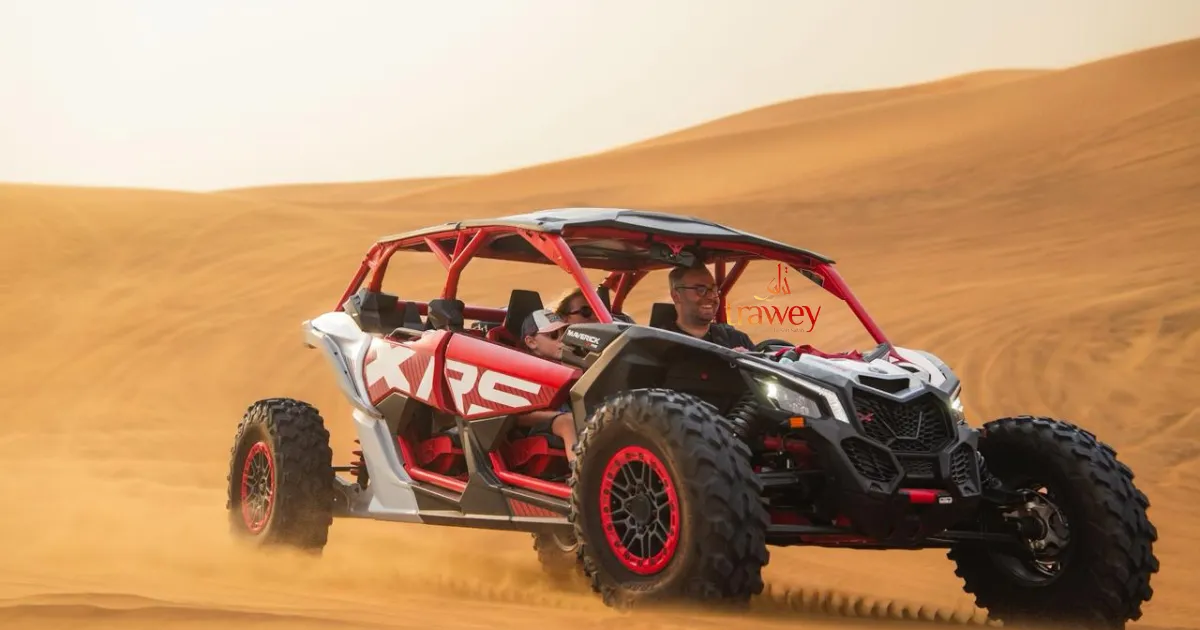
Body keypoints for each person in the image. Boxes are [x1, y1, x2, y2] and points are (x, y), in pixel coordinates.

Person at [514, 308, 579, 461]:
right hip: (537, 426)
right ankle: (583, 478)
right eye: (553, 335)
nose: (562, 340)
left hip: (566, 416)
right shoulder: (525, 368)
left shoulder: (568, 363)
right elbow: (516, 416)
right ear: (531, 342)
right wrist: (561, 416)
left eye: (564, 333)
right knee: (568, 423)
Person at [663, 263, 755, 351]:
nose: (711, 296)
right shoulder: (658, 344)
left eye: (714, 289)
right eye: (700, 290)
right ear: (676, 296)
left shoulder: (737, 340)